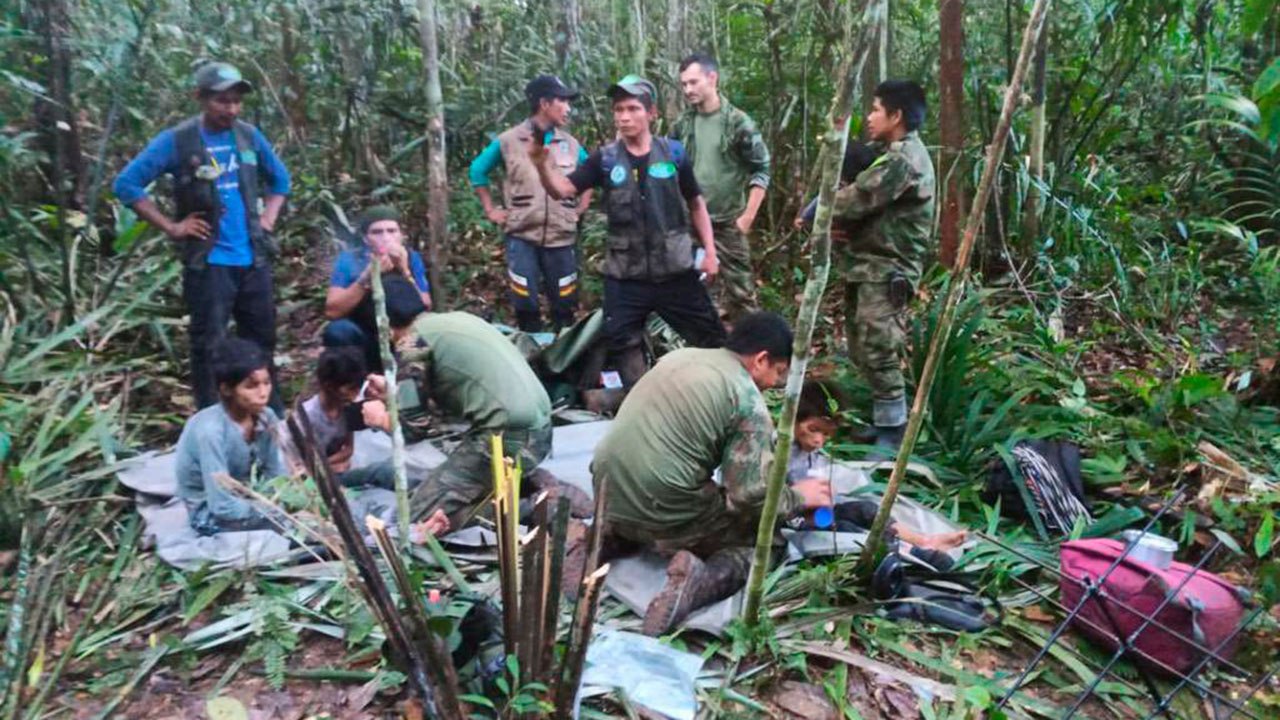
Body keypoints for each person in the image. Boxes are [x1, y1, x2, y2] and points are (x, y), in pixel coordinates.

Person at [586, 312, 833, 636]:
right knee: (765, 545)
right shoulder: (746, 400)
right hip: (662, 505)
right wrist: (800, 496)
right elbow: (748, 497)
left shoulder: (680, 357)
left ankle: (604, 538)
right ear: (761, 359)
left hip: (605, 489)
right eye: (778, 372)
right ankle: (698, 582)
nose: (773, 384)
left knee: (664, 492)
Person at [113, 62, 290, 410]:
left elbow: (280, 180)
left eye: (237, 101)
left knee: (262, 340)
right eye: (222, 101)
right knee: (210, 345)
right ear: (200, 98)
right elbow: (126, 185)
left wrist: (268, 218)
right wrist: (172, 226)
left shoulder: (248, 136)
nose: (232, 109)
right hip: (209, 263)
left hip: (253, 257)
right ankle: (214, 420)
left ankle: (272, 417)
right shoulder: (178, 141)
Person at [529, 75, 726, 387]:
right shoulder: (604, 160)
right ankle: (644, 400)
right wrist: (541, 163)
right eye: (618, 109)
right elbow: (562, 189)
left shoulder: (673, 154)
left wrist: (710, 252)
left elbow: (696, 203)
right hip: (625, 275)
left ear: (652, 114)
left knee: (711, 339)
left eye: (633, 108)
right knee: (621, 340)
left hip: (675, 269)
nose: (624, 116)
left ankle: (719, 396)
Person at [359, 282, 554, 530]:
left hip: (506, 439)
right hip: (539, 430)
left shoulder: (412, 344)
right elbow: (454, 392)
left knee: (413, 519)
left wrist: (381, 419)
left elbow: (413, 429)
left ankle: (528, 509)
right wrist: (395, 393)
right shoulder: (456, 320)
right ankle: (517, 489)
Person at [830, 80, 935, 456]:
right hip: (867, 265)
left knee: (880, 347)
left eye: (876, 110)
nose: (869, 117)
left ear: (897, 116)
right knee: (861, 346)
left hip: (887, 269)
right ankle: (882, 422)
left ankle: (894, 432)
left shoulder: (903, 161)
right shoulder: (888, 152)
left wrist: (817, 211)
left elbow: (856, 200)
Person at [787, 380, 966, 557]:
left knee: (867, 510)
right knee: (847, 530)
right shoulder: (777, 452)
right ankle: (909, 552)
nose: (819, 440)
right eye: (813, 429)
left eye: (826, 434)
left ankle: (922, 541)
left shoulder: (809, 454)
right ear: (793, 419)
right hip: (793, 521)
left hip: (818, 514)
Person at [469, 75, 592, 332]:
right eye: (563, 101)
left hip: (561, 237)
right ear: (545, 103)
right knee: (525, 300)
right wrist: (491, 209)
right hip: (522, 235)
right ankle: (530, 352)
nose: (568, 108)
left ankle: (564, 356)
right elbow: (477, 171)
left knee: (565, 301)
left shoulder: (570, 144)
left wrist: (581, 208)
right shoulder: (509, 141)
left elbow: (590, 174)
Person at [673, 53, 771, 325]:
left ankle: (752, 357)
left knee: (741, 295)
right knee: (694, 294)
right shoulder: (682, 125)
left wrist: (747, 217)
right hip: (690, 225)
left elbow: (761, 168)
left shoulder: (739, 123)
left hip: (728, 224)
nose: (688, 90)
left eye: (693, 82)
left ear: (712, 78)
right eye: (684, 84)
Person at [174, 337, 287, 535]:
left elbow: (275, 472)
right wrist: (271, 510)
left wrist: (281, 499)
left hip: (252, 496)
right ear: (226, 389)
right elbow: (221, 505)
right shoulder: (211, 432)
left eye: (267, 383)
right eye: (251, 386)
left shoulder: (267, 416)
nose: (263, 393)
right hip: (210, 511)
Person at [323, 206, 433, 371]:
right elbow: (332, 311)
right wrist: (366, 278)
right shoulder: (350, 260)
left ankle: (414, 381)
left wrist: (405, 271)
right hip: (365, 333)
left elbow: (426, 305)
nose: (385, 237)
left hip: (403, 333)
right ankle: (356, 385)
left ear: (401, 235)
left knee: (422, 335)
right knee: (338, 331)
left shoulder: (411, 257)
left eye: (391, 231)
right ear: (366, 239)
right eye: (377, 232)